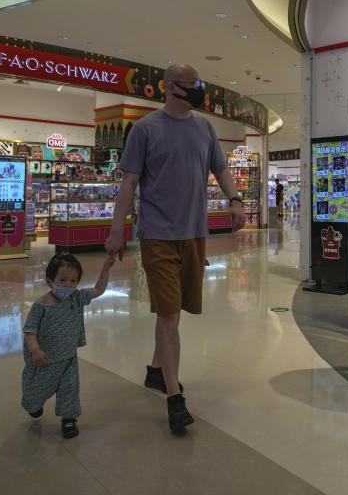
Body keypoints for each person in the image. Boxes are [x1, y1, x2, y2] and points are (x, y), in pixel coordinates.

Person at [105, 63, 246, 434]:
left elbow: (221, 168)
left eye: (198, 83)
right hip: (157, 235)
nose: (198, 90)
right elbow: (128, 183)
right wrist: (117, 230)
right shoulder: (145, 129)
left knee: (174, 312)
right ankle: (173, 397)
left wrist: (235, 199)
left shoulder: (205, 128)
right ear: (169, 87)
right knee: (168, 315)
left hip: (195, 234)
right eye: (190, 84)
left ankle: (155, 371)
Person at [21, 252, 114, 438]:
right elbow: (30, 332)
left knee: (70, 389)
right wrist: (35, 350)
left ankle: (69, 419)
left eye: (73, 281)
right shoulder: (41, 306)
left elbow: (98, 290)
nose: (68, 286)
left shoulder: (76, 298)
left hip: (68, 359)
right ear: (50, 281)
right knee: (34, 395)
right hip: (44, 360)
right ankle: (34, 405)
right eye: (63, 280)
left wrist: (106, 268)